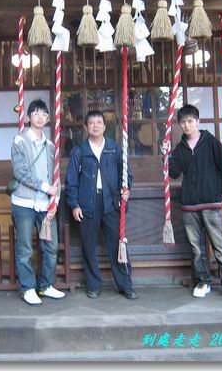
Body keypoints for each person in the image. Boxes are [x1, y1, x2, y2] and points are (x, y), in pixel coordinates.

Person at [163, 104, 222, 300]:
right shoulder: (180, 149)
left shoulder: (212, 143)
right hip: (189, 204)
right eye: (183, 122)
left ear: (197, 121)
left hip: (211, 202)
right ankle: (203, 281)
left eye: (190, 121)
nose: (186, 125)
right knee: (196, 248)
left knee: (219, 246)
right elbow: (174, 173)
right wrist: (167, 155)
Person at [65, 110, 138, 300]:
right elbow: (71, 180)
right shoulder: (80, 151)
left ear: (105, 127)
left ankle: (125, 285)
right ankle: (93, 285)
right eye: (91, 123)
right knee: (88, 245)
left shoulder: (114, 149)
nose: (95, 126)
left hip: (111, 202)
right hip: (87, 203)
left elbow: (126, 173)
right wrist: (74, 204)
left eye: (99, 122)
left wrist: (126, 189)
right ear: (86, 127)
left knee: (117, 244)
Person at [10, 99, 66, 305]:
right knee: (25, 248)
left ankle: (45, 285)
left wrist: (55, 200)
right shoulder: (20, 141)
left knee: (50, 246)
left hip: (46, 205)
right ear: (29, 117)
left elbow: (56, 175)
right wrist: (46, 188)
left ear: (48, 118)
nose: (40, 117)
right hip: (24, 203)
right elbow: (21, 172)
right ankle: (27, 288)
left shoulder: (51, 145)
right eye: (36, 113)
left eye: (44, 114)